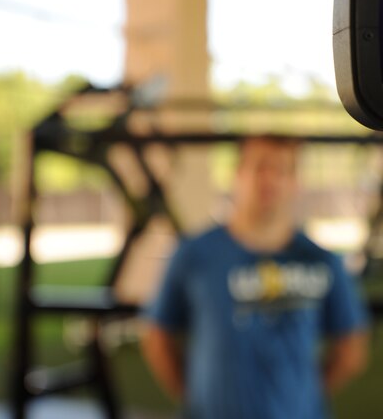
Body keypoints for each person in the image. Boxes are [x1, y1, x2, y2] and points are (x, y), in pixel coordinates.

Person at [141, 136, 369, 419]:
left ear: (295, 183)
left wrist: (302, 395)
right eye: (260, 167)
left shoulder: (323, 261)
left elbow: (351, 349)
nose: (270, 179)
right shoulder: (194, 254)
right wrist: (197, 395)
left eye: (282, 170)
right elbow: (157, 336)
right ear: (237, 175)